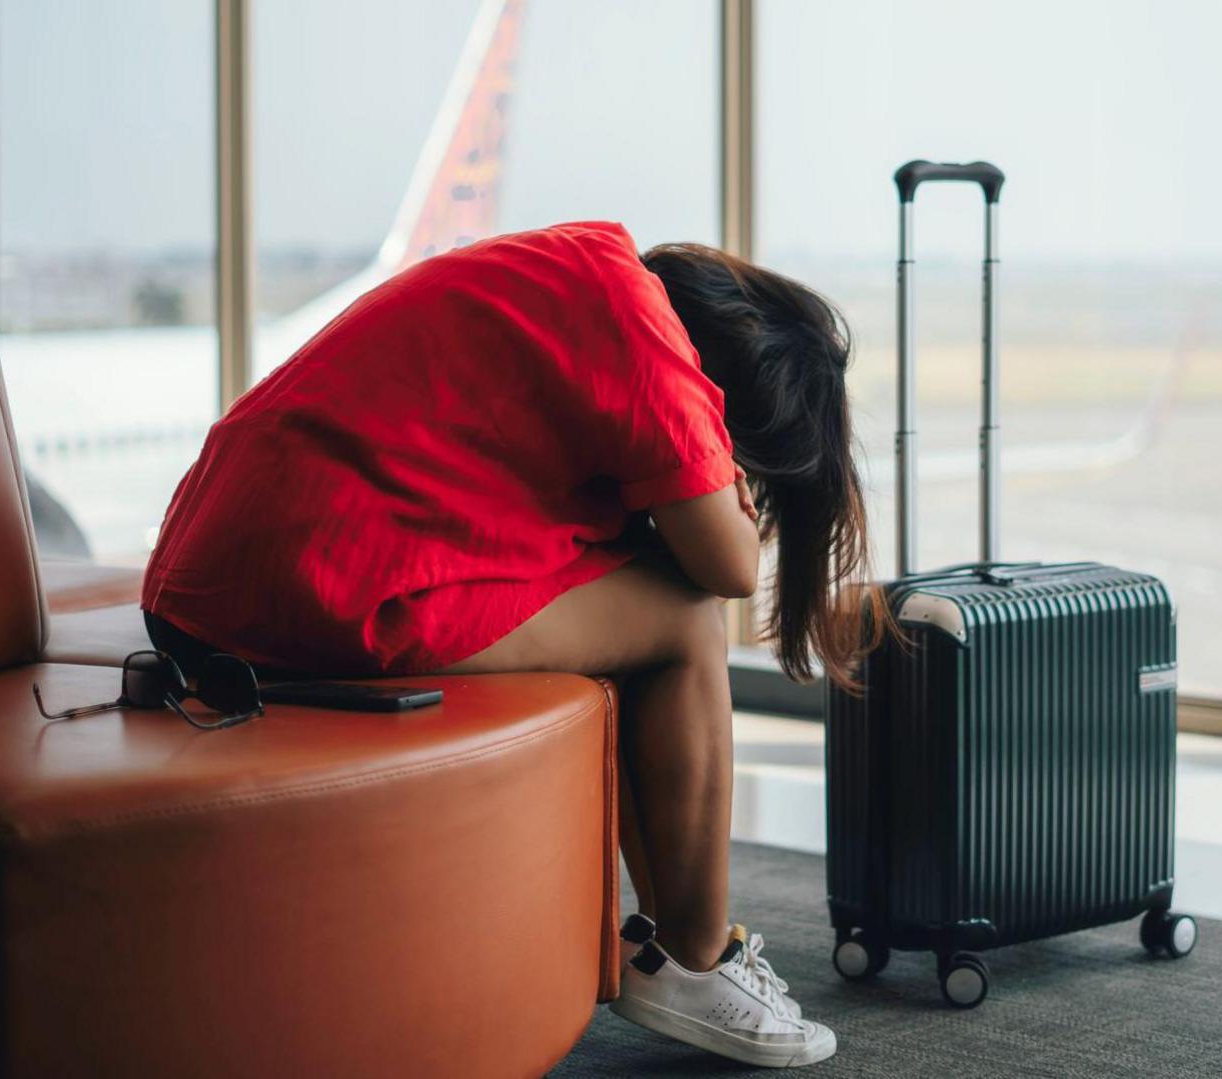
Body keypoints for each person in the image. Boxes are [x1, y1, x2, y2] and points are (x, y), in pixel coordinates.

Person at [140, 221, 882, 1068]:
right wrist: (729, 495)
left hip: (210, 576)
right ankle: (695, 960)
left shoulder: (590, 268)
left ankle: (667, 943)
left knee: (634, 583)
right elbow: (728, 565)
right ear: (726, 397)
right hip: (303, 586)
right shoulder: (650, 344)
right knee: (681, 617)